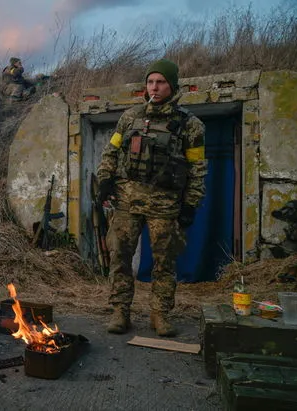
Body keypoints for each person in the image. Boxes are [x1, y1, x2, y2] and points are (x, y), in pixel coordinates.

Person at [96, 59, 207, 337]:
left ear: (172, 85)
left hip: (165, 205)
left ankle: (160, 314)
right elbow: (111, 152)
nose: (154, 88)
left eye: (161, 82)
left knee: (165, 262)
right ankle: (120, 311)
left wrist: (191, 203)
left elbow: (197, 169)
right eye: (150, 82)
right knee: (120, 256)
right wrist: (105, 180)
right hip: (127, 201)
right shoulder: (130, 117)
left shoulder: (190, 125)